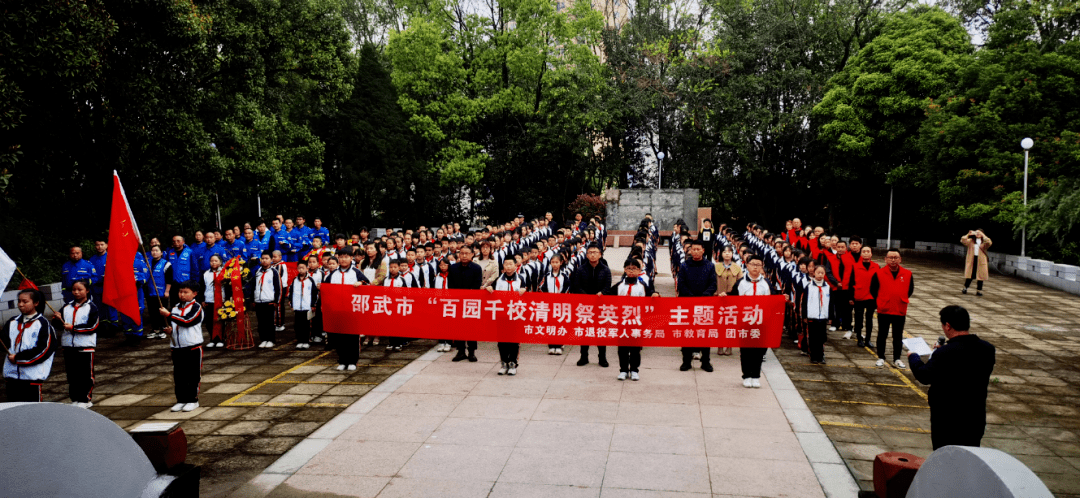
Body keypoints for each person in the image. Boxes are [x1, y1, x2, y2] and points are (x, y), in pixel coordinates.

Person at [909, 305, 996, 450]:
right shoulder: (987, 349)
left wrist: (914, 358)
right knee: (969, 458)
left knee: (946, 460)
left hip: (948, 420)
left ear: (948, 326)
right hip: (975, 418)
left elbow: (924, 375)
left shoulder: (946, 353)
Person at [720, 255, 775, 388]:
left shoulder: (766, 283)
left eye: (758, 264)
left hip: (761, 322)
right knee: (745, 350)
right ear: (747, 265)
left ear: (762, 267)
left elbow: (774, 300)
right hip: (744, 322)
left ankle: (755, 376)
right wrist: (725, 296)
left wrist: (782, 298)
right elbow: (733, 297)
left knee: (758, 351)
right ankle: (746, 375)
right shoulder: (741, 283)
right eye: (753, 264)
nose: (755, 267)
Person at [604, 259, 659, 380]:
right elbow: (608, 295)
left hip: (637, 322)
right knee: (622, 347)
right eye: (628, 268)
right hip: (622, 322)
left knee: (635, 348)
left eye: (634, 268)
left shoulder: (642, 286)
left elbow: (651, 294)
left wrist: (655, 294)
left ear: (639, 271)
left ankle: (634, 369)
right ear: (624, 270)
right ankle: (623, 370)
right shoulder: (619, 286)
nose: (631, 271)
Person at [2, 289, 56, 402]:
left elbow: (43, 350)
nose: (20, 304)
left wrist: (18, 358)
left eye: (25, 301)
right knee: (14, 410)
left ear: (36, 303)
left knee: (32, 413)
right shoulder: (12, 322)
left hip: (31, 377)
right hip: (11, 376)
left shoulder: (43, 324)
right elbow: (5, 343)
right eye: (19, 301)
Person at [159, 280, 203, 412]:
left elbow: (188, 321)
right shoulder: (175, 307)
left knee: (193, 375)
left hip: (192, 346)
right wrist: (170, 330)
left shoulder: (196, 308)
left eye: (185, 292)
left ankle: (193, 400)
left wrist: (169, 315)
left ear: (194, 294)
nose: (182, 295)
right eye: (180, 292)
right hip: (177, 347)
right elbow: (176, 324)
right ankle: (181, 399)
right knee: (179, 375)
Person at [323, 248, 369, 370]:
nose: (343, 259)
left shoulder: (355, 272)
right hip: (337, 310)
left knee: (352, 337)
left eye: (346, 257)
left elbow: (368, 284)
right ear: (338, 258)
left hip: (352, 310)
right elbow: (326, 290)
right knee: (339, 337)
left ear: (351, 258)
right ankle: (342, 360)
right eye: (341, 257)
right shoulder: (333, 274)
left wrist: (361, 284)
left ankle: (353, 361)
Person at [871, 249, 914, 369]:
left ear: (900, 259)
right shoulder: (879, 273)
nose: (893, 260)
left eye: (896, 257)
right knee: (882, 334)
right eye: (890, 257)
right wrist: (882, 300)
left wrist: (899, 297)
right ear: (885, 259)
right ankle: (881, 357)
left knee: (898, 335)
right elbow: (873, 290)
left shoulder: (907, 274)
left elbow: (910, 290)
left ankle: (897, 358)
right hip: (884, 309)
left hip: (900, 309)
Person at [678, 240, 717, 372]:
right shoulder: (684, 265)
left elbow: (713, 284)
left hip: (704, 305)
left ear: (703, 250)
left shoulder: (710, 266)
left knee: (704, 334)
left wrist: (704, 296)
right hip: (687, 304)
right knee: (687, 333)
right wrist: (690, 297)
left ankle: (706, 362)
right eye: (693, 249)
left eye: (697, 249)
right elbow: (681, 284)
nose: (695, 252)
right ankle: (686, 361)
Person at [59, 280, 99, 407]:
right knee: (72, 375)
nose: (76, 292)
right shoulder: (66, 307)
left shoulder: (91, 307)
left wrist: (74, 328)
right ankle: (75, 399)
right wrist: (57, 319)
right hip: (68, 347)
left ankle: (85, 399)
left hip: (85, 347)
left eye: (80, 289)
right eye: (74, 289)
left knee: (85, 375)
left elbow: (93, 326)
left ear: (87, 290)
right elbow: (59, 325)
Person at [571, 244, 611, 367]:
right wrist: (586, 296)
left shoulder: (605, 269)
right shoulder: (581, 269)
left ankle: (602, 358)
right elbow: (576, 286)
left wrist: (602, 293)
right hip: (585, 306)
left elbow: (607, 286)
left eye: (595, 252)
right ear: (587, 254)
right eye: (590, 252)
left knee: (601, 332)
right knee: (585, 332)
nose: (592, 254)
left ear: (600, 254)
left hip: (600, 305)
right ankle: (584, 357)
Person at [487, 259, 527, 375]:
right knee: (502, 340)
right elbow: (490, 290)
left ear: (515, 266)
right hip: (502, 314)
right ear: (503, 266)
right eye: (506, 264)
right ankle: (504, 362)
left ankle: (513, 363)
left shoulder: (520, 279)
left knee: (514, 340)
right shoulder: (499, 279)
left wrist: (524, 290)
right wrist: (488, 289)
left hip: (515, 314)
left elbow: (526, 295)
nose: (508, 267)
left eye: (511, 264)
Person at [449, 245, 484, 362]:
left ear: (472, 255)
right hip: (457, 302)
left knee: (471, 328)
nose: (464, 255)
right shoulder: (453, 268)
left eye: (467, 253)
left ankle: (472, 352)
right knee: (458, 327)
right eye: (462, 253)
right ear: (459, 254)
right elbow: (451, 286)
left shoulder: (476, 268)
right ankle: (460, 351)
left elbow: (477, 285)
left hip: (471, 303)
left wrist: (467, 297)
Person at [539, 253, 569, 355]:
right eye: (553, 262)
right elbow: (542, 287)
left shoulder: (564, 275)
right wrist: (549, 297)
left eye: (557, 262)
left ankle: (559, 345)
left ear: (561, 263)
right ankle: (551, 345)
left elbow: (567, 287)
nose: (555, 264)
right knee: (551, 324)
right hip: (550, 303)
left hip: (561, 304)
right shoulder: (547, 276)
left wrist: (560, 297)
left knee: (560, 324)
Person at [253, 250, 283, 349]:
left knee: (269, 322)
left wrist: (276, 301)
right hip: (259, 301)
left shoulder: (274, 272)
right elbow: (254, 286)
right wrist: (254, 299)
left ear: (271, 260)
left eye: (267, 259)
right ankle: (263, 339)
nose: (264, 261)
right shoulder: (258, 271)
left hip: (269, 301)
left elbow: (278, 287)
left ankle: (271, 340)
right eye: (263, 259)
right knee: (261, 322)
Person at [852, 246, 879, 348]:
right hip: (859, 296)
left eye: (868, 251)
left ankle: (868, 339)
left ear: (871, 254)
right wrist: (851, 297)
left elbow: (879, 283)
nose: (866, 253)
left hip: (871, 298)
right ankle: (859, 338)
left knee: (869, 319)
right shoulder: (855, 266)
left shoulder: (876, 267)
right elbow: (851, 282)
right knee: (858, 319)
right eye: (864, 251)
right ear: (861, 254)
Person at [145, 245, 173, 339]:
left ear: (161, 253)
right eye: (153, 250)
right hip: (150, 292)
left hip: (161, 292)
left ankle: (164, 328)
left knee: (162, 311)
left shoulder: (166, 264)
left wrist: (167, 291)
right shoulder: (148, 263)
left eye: (157, 250)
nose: (154, 252)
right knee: (152, 312)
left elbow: (169, 279)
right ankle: (155, 329)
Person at [201, 254, 228, 348]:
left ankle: (221, 339)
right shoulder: (206, 274)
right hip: (209, 300)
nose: (213, 262)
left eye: (216, 261)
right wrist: (203, 300)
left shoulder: (225, 273)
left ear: (220, 262)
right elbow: (202, 288)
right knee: (209, 321)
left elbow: (228, 288)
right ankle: (212, 339)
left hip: (221, 300)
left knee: (220, 320)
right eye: (212, 261)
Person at [291, 261, 318, 349]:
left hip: (307, 307)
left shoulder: (310, 280)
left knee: (306, 325)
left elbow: (314, 293)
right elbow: (291, 292)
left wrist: (313, 304)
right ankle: (300, 341)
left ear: (307, 268)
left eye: (303, 268)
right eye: (299, 268)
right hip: (297, 307)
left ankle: (306, 341)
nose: (301, 270)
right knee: (298, 325)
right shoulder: (295, 280)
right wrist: (292, 304)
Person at [961, 229, 992, 296]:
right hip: (972, 259)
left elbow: (989, 242)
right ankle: (965, 288)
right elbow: (963, 240)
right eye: (976, 232)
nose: (977, 234)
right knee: (970, 276)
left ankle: (979, 291)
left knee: (981, 277)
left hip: (981, 260)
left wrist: (982, 234)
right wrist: (968, 234)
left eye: (979, 233)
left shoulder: (984, 242)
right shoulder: (971, 241)